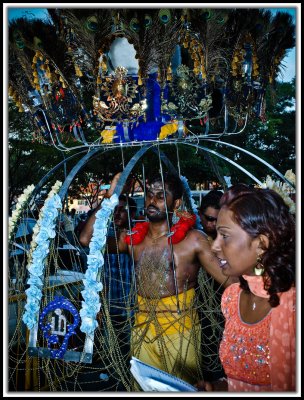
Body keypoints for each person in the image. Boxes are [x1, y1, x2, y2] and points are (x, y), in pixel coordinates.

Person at [80, 172, 235, 385]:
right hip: (142, 330)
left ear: (176, 203)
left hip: (181, 332)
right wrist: (110, 197)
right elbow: (86, 239)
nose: (152, 201)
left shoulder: (194, 241)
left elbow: (232, 283)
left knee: (181, 389)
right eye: (149, 194)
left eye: (161, 196)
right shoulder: (133, 239)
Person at [196, 185, 296, 392]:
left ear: (261, 244)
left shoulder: (293, 305)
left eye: (225, 236)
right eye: (216, 236)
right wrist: (217, 387)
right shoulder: (232, 298)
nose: (214, 246)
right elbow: (238, 379)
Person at [197, 189, 226, 381]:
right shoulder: (192, 239)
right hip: (197, 312)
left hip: (223, 310)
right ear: (200, 214)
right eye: (208, 218)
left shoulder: (227, 240)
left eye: (217, 220)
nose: (212, 224)